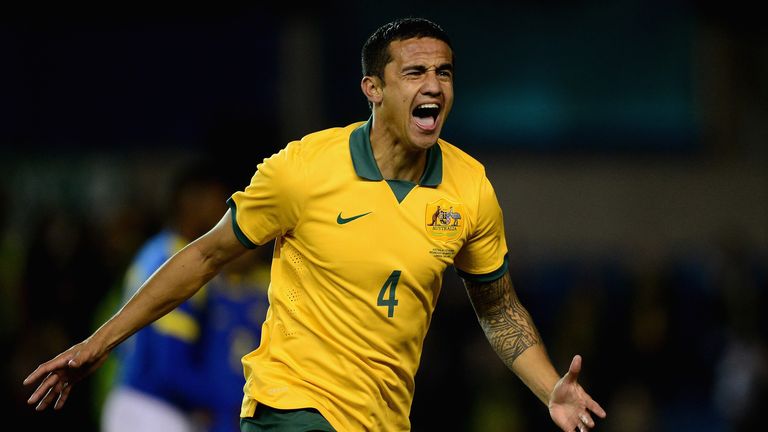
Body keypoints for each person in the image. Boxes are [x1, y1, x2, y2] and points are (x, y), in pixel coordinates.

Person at [24, 17, 606, 431]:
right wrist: (99, 344)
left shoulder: (470, 188)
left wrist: (548, 386)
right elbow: (204, 256)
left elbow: (498, 307)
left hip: (383, 419)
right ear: (372, 89)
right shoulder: (302, 170)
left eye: (444, 72)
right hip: (292, 409)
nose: (433, 85)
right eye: (415, 72)